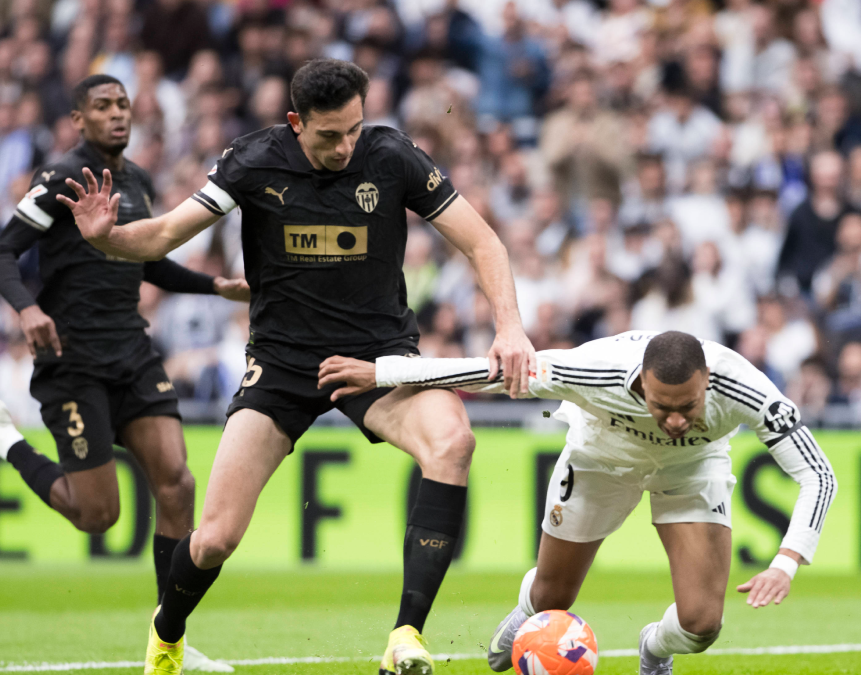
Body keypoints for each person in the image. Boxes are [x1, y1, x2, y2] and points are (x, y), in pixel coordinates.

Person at [59, 59, 535, 675]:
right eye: (329, 135)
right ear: (295, 122)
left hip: (377, 359)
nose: (345, 147)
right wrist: (107, 238)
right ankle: (166, 636)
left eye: (354, 130)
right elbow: (164, 235)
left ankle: (406, 635)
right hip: (281, 366)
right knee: (215, 539)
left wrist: (510, 326)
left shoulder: (392, 156)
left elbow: (483, 242)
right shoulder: (252, 161)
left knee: (453, 443)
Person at [316, 330, 837, 675]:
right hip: (600, 459)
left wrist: (786, 562)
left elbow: (819, 474)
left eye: (689, 405)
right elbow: (490, 373)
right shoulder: (595, 370)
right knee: (552, 597)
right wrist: (381, 374)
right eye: (662, 406)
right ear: (641, 383)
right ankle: (527, 613)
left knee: (702, 625)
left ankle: (653, 648)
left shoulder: (749, 389)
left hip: (693, 469)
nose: (676, 420)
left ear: (708, 382)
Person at [0, 75, 246, 672]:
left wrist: (216, 285)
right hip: (72, 360)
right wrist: (27, 309)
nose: (117, 114)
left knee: (178, 485)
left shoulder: (138, 182)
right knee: (98, 516)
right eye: (103, 106)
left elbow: (149, 262)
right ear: (78, 119)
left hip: (131, 352)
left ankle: (169, 641)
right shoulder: (60, 178)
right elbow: (0, 254)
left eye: (124, 104)